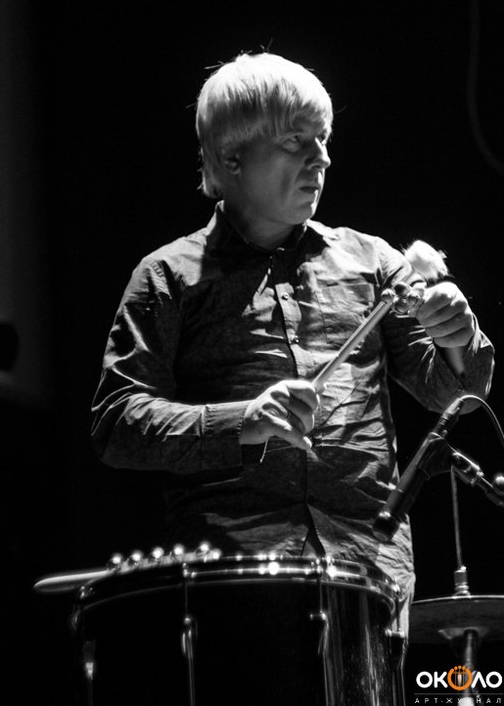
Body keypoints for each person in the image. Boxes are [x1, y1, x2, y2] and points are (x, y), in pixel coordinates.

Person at [91, 52, 494, 641]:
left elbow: (454, 391)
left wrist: (457, 337)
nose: (321, 157)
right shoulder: (168, 277)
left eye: (323, 139)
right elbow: (115, 423)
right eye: (296, 141)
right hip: (232, 582)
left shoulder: (373, 262)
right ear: (231, 157)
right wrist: (243, 421)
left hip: (369, 574)